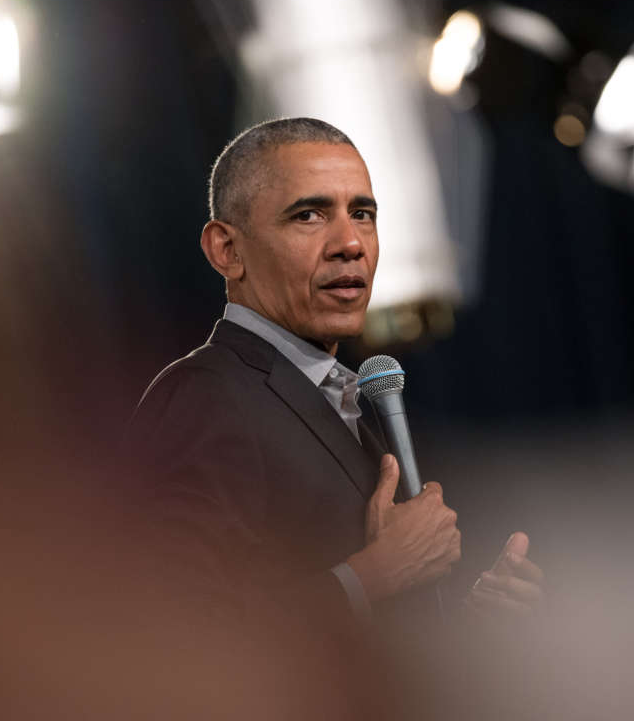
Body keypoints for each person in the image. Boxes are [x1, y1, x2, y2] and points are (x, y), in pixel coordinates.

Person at [124, 117, 544, 714]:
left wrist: (467, 620)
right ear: (227, 249)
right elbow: (172, 639)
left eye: (363, 214)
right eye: (309, 215)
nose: (351, 243)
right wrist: (372, 575)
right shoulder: (206, 396)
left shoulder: (350, 403)